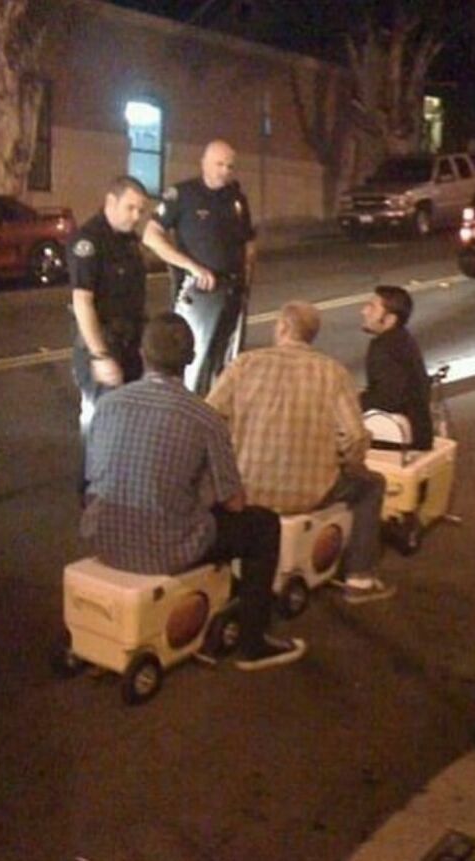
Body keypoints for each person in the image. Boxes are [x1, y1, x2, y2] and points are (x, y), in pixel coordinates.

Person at [81, 311, 306, 671]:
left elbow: (90, 478)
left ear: (142, 353)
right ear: (190, 359)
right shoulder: (203, 417)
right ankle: (254, 640)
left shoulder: (107, 405)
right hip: (165, 549)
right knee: (262, 526)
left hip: (103, 538)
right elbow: (234, 502)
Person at [207, 301, 394, 605]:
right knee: (372, 485)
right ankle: (360, 578)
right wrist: (349, 463)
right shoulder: (333, 373)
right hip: (311, 492)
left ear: (281, 327)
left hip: (247, 490)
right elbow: (356, 436)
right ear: (312, 335)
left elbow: (209, 418)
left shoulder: (244, 365)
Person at [143, 139, 256, 396]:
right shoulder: (182, 195)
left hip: (233, 291)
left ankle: (216, 419)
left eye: (230, 166)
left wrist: (248, 278)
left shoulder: (236, 199)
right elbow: (151, 236)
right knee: (191, 362)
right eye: (219, 164)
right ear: (203, 162)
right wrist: (192, 268)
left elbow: (249, 243)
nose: (225, 171)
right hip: (198, 293)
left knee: (227, 364)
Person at [68, 175, 149, 436]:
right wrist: (100, 355)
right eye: (131, 207)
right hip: (104, 344)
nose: (137, 216)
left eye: (140, 210)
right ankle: (90, 478)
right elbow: (82, 302)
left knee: (126, 428)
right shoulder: (89, 241)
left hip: (129, 346)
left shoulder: (129, 241)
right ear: (110, 202)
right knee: (100, 429)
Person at [360, 285, 433, 451]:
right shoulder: (402, 339)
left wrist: (350, 402)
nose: (364, 311)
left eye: (372, 307)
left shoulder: (384, 348)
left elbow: (386, 399)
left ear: (390, 319)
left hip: (404, 438)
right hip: (419, 430)